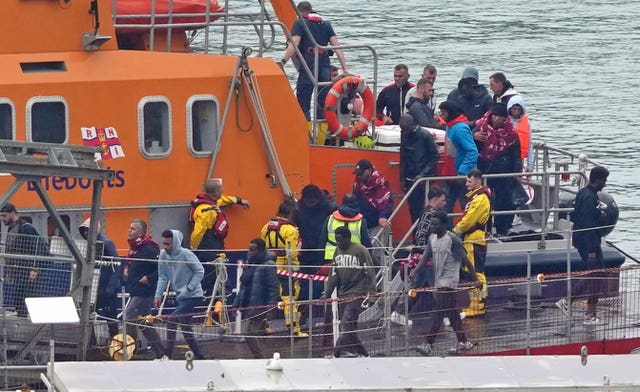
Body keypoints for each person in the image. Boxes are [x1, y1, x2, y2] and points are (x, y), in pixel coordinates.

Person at [413, 210, 478, 356]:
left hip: (449, 282)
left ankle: (428, 344)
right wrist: (415, 272)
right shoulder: (432, 239)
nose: (431, 227)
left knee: (438, 312)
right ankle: (464, 342)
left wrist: (475, 279)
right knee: (452, 312)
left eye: (435, 224)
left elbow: (465, 261)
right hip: (438, 280)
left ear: (443, 225)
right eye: (431, 224)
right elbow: (425, 258)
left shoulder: (453, 240)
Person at [556, 166, 610, 325]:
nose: (604, 184)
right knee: (594, 274)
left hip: (583, 240)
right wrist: (592, 249)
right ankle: (573, 303)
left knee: (596, 273)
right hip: (589, 243)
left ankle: (589, 311)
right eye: (604, 180)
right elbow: (587, 224)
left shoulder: (583, 193)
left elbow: (577, 217)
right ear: (597, 179)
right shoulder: (589, 198)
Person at [281, 1, 348, 121]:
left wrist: (283, 61)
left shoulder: (300, 23)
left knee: (303, 102)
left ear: (299, 12)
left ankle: (306, 131)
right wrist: (345, 69)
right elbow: (337, 47)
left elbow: (294, 42)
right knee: (323, 102)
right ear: (311, 10)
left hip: (308, 68)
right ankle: (321, 132)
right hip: (325, 68)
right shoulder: (326, 24)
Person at [391, 186, 447, 326]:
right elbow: (422, 235)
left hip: (422, 256)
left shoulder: (425, 213)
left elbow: (419, 234)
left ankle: (399, 312)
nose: (445, 203)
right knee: (439, 287)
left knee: (415, 286)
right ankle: (447, 315)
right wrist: (424, 252)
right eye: (443, 200)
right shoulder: (431, 215)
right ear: (435, 199)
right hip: (427, 257)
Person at [323, 226, 376, 358]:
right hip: (343, 293)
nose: (339, 244)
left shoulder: (360, 250)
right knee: (350, 326)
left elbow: (370, 272)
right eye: (337, 241)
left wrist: (372, 294)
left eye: (340, 241)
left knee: (345, 323)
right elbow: (333, 274)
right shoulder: (337, 251)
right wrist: (327, 292)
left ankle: (336, 352)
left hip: (357, 292)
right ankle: (363, 353)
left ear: (348, 238)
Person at [189, 178, 250, 295]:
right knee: (214, 276)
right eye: (221, 189)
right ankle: (215, 298)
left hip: (215, 247)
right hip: (209, 249)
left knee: (219, 275)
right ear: (216, 192)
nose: (223, 190)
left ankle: (219, 296)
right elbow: (198, 231)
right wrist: (194, 248)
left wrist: (240, 200)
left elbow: (224, 199)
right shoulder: (206, 210)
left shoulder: (211, 202)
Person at [154, 229, 206, 359]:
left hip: (194, 295)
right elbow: (163, 276)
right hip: (181, 296)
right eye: (164, 244)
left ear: (175, 242)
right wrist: (158, 295)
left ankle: (168, 355)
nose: (165, 247)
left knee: (172, 321)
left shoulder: (186, 254)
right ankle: (199, 355)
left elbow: (200, 271)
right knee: (185, 327)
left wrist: (188, 289)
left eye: (168, 244)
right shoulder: (163, 255)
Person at [474, 103, 522, 236]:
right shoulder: (480, 127)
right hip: (484, 169)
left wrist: (517, 172)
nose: (496, 119)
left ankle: (503, 228)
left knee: (505, 200)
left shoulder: (511, 134)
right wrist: (475, 136)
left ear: (505, 118)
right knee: (484, 200)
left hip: (504, 170)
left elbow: (516, 154)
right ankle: (486, 228)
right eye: (494, 116)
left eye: (500, 117)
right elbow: (471, 144)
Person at [261, 200, 306, 336]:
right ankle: (294, 329)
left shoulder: (265, 227)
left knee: (268, 296)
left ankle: (263, 326)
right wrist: (296, 268)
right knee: (290, 297)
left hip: (269, 265)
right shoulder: (291, 230)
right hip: (285, 266)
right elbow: (291, 253)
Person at [122, 219, 164, 358]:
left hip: (144, 292)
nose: (129, 230)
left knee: (128, 317)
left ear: (140, 232)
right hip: (136, 289)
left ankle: (131, 350)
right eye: (129, 227)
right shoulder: (135, 249)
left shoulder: (149, 249)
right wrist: (127, 268)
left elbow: (161, 269)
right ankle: (161, 352)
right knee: (143, 322)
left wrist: (148, 278)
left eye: (133, 229)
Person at [0, 203, 51, 318]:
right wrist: (10, 271)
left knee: (27, 300)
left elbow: (42, 249)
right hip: (19, 271)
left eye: (4, 216)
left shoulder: (26, 228)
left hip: (28, 272)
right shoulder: (12, 228)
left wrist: (36, 269)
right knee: (19, 301)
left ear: (13, 213)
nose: (2, 219)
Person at [452, 170, 491, 317]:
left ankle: (478, 305)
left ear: (478, 181)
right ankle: (476, 304)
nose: (466, 183)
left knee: (475, 272)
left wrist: (455, 231)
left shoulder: (480, 199)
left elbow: (469, 220)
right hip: (473, 238)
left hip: (474, 239)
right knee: (473, 271)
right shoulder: (477, 198)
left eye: (470, 181)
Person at [234, 238, 279, 358]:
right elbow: (243, 286)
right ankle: (262, 358)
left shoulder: (269, 265)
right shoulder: (250, 263)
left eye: (252, 250)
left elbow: (273, 288)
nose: (249, 252)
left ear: (260, 250)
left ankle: (260, 358)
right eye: (249, 249)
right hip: (249, 303)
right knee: (256, 334)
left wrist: (270, 308)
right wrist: (236, 303)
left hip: (260, 305)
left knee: (249, 333)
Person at [79, 218, 120, 337]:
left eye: (87, 230)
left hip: (105, 287)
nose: (86, 233)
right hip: (96, 286)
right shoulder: (90, 244)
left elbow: (116, 265)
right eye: (84, 231)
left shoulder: (106, 243)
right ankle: (91, 341)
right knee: (91, 314)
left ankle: (114, 341)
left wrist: (111, 287)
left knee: (110, 317)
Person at [438, 100, 479, 215]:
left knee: (467, 207)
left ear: (450, 113)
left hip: (462, 177)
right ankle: (447, 231)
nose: (441, 116)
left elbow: (472, 151)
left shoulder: (460, 129)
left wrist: (462, 172)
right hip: (451, 175)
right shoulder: (449, 126)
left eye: (443, 113)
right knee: (446, 207)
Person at [399, 113, 440, 222]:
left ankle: (423, 234)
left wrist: (423, 174)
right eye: (403, 130)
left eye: (406, 130)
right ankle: (415, 236)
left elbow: (435, 156)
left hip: (423, 178)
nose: (405, 132)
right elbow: (402, 157)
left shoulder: (425, 135)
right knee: (413, 210)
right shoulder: (404, 134)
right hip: (409, 178)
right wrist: (402, 178)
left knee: (424, 210)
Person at [322, 193, 373, 263]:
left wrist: (320, 260)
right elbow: (366, 243)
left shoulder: (330, 218)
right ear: (356, 203)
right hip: (354, 259)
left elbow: (322, 240)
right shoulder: (361, 221)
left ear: (342, 203)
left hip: (332, 257)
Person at [352, 159, 393, 231]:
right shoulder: (358, 182)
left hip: (376, 216)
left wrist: (382, 216)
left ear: (369, 170)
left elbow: (387, 202)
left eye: (361, 173)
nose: (359, 176)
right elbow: (355, 198)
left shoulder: (380, 182)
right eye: (357, 174)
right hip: (362, 217)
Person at [507, 95, 533, 171]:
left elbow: (529, 144)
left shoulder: (526, 123)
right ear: (510, 109)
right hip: (505, 157)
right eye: (514, 109)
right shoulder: (505, 121)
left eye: (518, 109)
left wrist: (530, 165)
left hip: (519, 159)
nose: (516, 112)